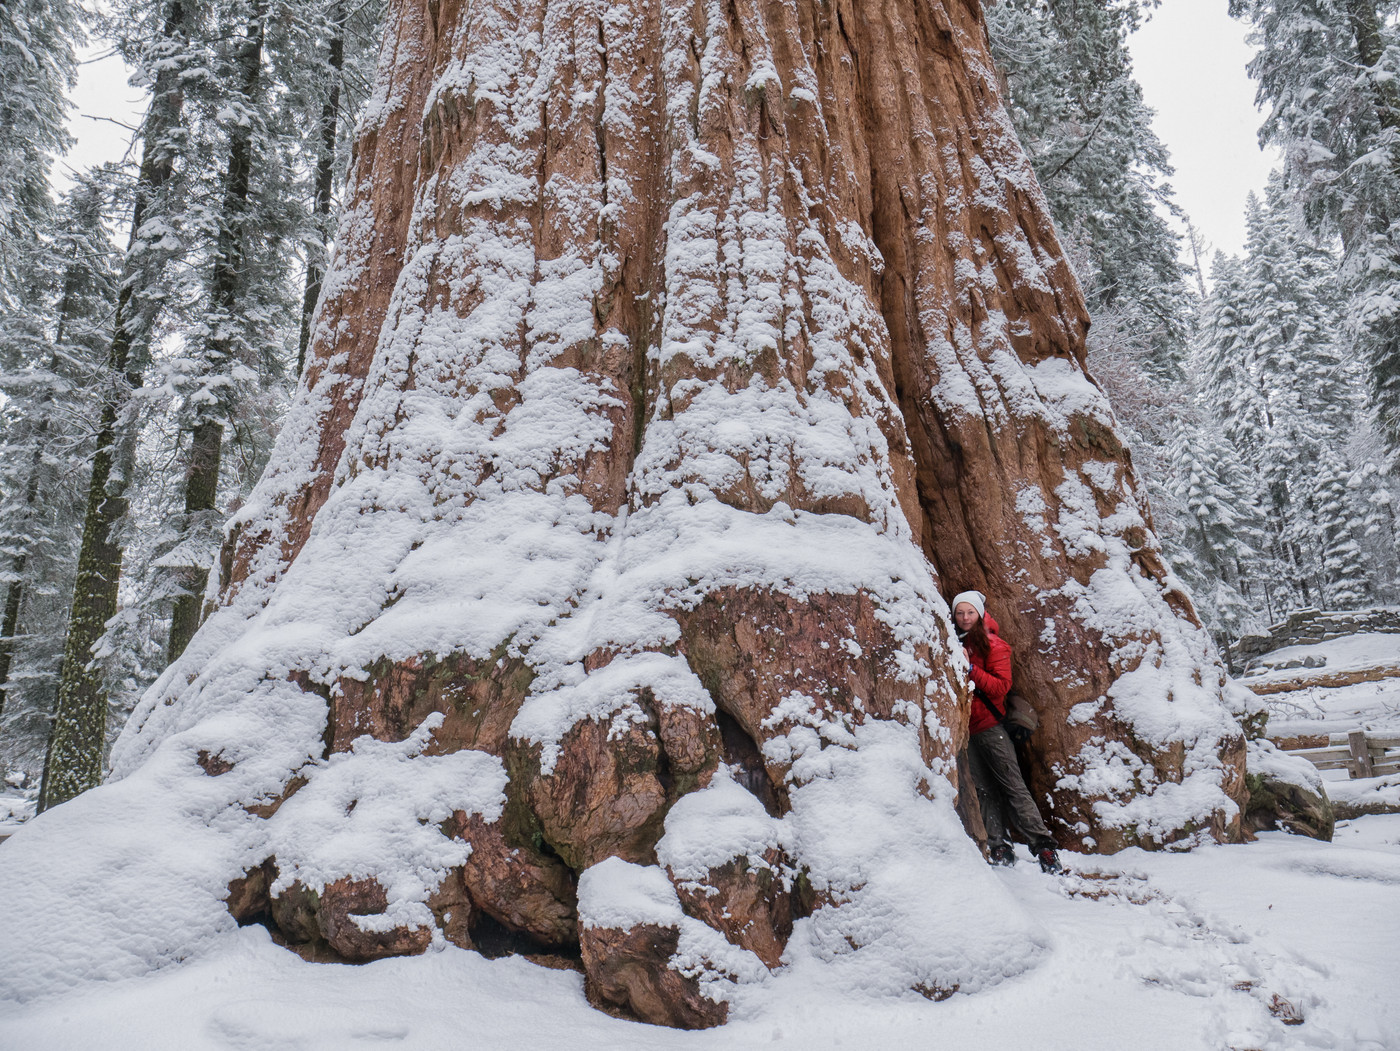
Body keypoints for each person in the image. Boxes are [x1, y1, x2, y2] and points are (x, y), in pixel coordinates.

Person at [952, 589, 1064, 875]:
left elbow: (1000, 686)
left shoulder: (994, 645)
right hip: (967, 730)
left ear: (979, 614)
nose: (965, 618)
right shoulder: (955, 642)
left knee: (1012, 785)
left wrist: (971, 668)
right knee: (984, 789)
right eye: (960, 613)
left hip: (990, 725)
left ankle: (1044, 847)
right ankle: (999, 845)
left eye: (970, 612)